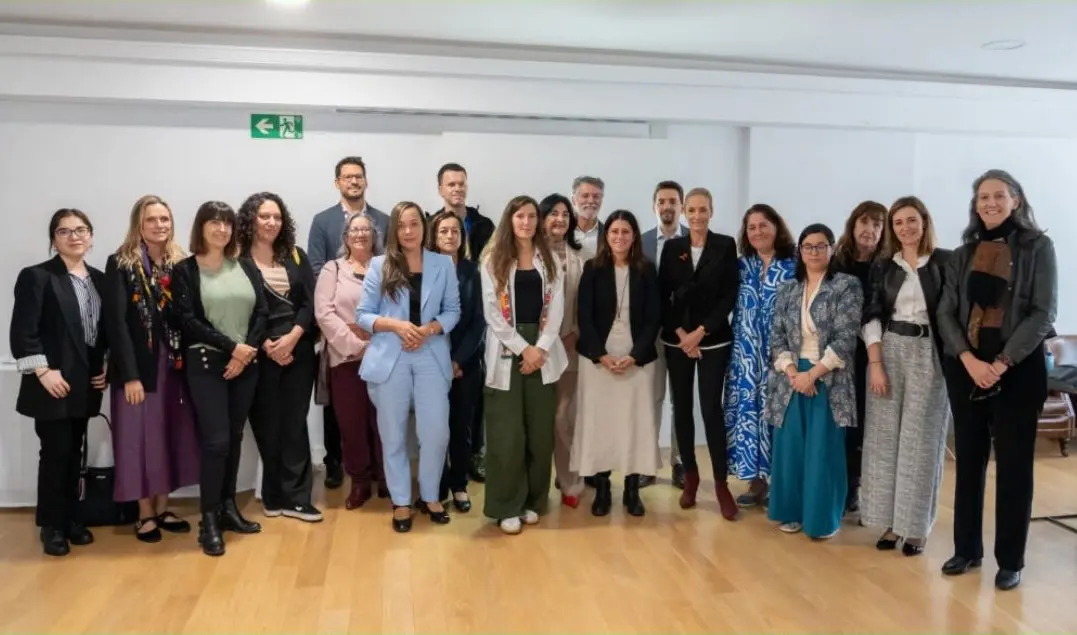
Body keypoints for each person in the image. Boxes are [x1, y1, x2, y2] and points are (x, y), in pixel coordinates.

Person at [937, 169, 1056, 591]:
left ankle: (1010, 560)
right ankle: (967, 550)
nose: (990, 203)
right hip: (966, 370)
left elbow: (1043, 312)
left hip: (1018, 372)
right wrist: (969, 359)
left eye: (999, 195)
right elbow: (946, 312)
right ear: (975, 204)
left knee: (1014, 469)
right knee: (969, 463)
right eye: (983, 197)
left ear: (1015, 200)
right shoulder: (963, 252)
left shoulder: (1038, 247)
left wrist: (1002, 363)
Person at [356, 202, 461, 533]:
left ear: (424, 227)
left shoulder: (443, 264)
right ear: (394, 230)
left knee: (436, 432)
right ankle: (401, 501)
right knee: (393, 433)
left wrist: (428, 329)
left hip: (431, 354)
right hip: (392, 355)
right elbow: (363, 315)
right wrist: (397, 326)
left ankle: (430, 496)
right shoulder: (379, 265)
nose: (408, 231)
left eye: (414, 223)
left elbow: (453, 310)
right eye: (401, 225)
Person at [172, 201, 268, 556]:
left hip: (246, 364)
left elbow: (262, 312)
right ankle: (208, 521)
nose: (222, 229)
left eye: (227, 223)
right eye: (214, 222)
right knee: (216, 442)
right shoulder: (185, 270)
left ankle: (228, 509)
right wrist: (232, 348)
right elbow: (187, 320)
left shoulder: (245, 266)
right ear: (201, 227)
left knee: (235, 437)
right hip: (207, 364)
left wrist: (247, 351)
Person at [11, 209, 107, 556]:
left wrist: (106, 365)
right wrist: (43, 372)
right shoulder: (37, 276)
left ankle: (70, 519)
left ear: (91, 236)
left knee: (74, 452)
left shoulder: (100, 279)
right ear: (54, 239)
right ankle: (51, 525)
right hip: (51, 381)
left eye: (81, 230)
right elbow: (23, 332)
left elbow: (103, 331)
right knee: (55, 453)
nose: (74, 236)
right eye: (64, 231)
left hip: (86, 382)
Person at [103, 195, 199, 543]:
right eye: (151, 220)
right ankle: (145, 513)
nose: (159, 225)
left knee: (169, 435)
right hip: (139, 368)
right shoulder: (121, 263)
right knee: (139, 439)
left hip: (174, 365)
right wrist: (130, 376)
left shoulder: (181, 262)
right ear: (138, 225)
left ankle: (163, 506)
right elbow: (116, 324)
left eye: (164, 219)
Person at [860, 196, 952, 557]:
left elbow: (953, 315)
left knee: (920, 441)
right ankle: (890, 523)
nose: (905, 228)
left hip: (929, 353)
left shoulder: (945, 262)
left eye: (911, 220)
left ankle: (915, 528)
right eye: (898, 222)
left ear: (924, 221)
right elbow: (871, 313)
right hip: (889, 350)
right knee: (884, 440)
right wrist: (875, 362)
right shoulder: (885, 265)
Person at [765, 224, 862, 540]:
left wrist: (812, 375)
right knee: (791, 448)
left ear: (832, 248)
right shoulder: (787, 289)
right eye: (808, 246)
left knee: (823, 450)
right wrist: (794, 373)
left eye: (821, 245)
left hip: (828, 377)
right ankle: (791, 513)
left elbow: (846, 338)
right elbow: (777, 336)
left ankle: (822, 520)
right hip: (791, 379)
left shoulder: (847, 286)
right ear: (800, 251)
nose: (814, 251)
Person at [480, 195, 567, 534]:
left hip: (542, 351)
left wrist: (539, 349)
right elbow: (492, 312)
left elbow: (556, 309)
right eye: (520, 216)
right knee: (507, 434)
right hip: (508, 350)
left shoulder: (550, 259)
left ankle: (533, 500)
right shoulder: (493, 260)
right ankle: (506, 505)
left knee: (539, 433)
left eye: (532, 216)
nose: (527, 222)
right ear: (510, 220)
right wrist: (523, 349)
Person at [237, 192, 321, 523]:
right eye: (264, 216)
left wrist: (293, 337)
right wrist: (267, 346)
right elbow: (240, 310)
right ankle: (273, 496)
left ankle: (298, 498)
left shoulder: (296, 256)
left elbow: (310, 303)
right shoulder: (237, 260)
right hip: (259, 353)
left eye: (277, 216)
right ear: (250, 220)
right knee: (267, 425)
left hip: (298, 350)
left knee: (295, 425)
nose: (272, 222)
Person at [573, 210, 662, 517]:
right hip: (599, 359)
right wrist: (601, 354)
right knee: (600, 424)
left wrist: (635, 355)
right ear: (606, 236)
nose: (620, 237)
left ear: (634, 236)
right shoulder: (592, 268)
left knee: (634, 424)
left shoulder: (647, 270)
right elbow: (583, 315)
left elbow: (654, 317)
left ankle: (632, 490)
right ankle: (602, 488)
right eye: (614, 232)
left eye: (626, 231)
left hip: (637, 358)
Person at [657, 187, 739, 519]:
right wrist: (681, 334)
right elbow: (662, 295)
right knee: (682, 408)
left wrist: (700, 332)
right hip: (677, 340)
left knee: (710, 409)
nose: (696, 216)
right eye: (691, 210)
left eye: (702, 209)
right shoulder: (672, 248)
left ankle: (721, 484)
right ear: (684, 212)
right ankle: (690, 476)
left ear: (711, 211)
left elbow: (729, 294)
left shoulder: (725, 245)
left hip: (713, 339)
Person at [308, 156, 389, 490]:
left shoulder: (385, 235)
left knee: (384, 420)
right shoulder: (325, 230)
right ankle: (351, 475)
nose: (360, 234)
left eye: (359, 176)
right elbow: (321, 295)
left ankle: (385, 476)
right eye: (347, 177)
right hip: (344, 351)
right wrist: (352, 337)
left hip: (383, 350)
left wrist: (375, 336)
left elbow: (397, 301)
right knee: (348, 420)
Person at [724, 204, 797, 507]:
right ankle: (755, 482)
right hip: (744, 357)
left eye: (763, 225)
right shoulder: (741, 266)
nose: (757, 232)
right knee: (747, 416)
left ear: (777, 227)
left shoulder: (794, 265)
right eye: (751, 227)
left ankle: (780, 484)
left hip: (781, 355)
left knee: (779, 417)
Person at [433, 162, 494, 482]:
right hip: (434, 350)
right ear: (440, 189)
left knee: (471, 411)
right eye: (451, 184)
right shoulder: (430, 224)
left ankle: (472, 459)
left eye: (461, 183)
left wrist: (458, 359)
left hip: (471, 344)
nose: (457, 189)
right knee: (437, 419)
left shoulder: (483, 225)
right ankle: (438, 475)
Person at [426, 210, 485, 512]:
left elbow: (478, 321)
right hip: (429, 363)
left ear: (463, 238)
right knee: (433, 430)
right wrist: (441, 361)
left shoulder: (473, 271)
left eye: (455, 231)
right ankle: (435, 488)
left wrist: (458, 361)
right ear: (434, 236)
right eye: (443, 231)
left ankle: (459, 486)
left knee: (461, 428)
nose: (450, 236)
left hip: (466, 364)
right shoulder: (423, 270)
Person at [832, 201, 886, 513]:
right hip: (840, 352)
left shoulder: (888, 265)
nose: (870, 230)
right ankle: (842, 485)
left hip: (875, 352)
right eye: (864, 222)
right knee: (843, 421)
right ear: (853, 225)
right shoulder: (837, 262)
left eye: (877, 225)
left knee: (867, 421)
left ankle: (860, 487)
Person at [538, 193, 586, 507]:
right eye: (553, 213)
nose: (559, 219)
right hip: (533, 353)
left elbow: (588, 304)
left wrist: (574, 334)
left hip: (569, 349)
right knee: (537, 421)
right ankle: (536, 486)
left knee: (563, 418)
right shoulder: (528, 254)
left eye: (565, 214)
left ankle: (571, 483)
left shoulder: (581, 258)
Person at [641, 180, 689, 489]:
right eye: (661, 201)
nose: (667, 206)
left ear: (681, 206)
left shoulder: (694, 240)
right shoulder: (642, 242)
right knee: (652, 398)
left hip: (685, 335)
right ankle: (647, 462)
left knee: (681, 400)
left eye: (672, 201)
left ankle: (680, 462)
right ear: (654, 206)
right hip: (652, 334)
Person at [572, 176, 605, 259]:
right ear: (573, 200)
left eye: (596, 196)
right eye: (585, 196)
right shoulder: (563, 233)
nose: (591, 201)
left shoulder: (609, 236)